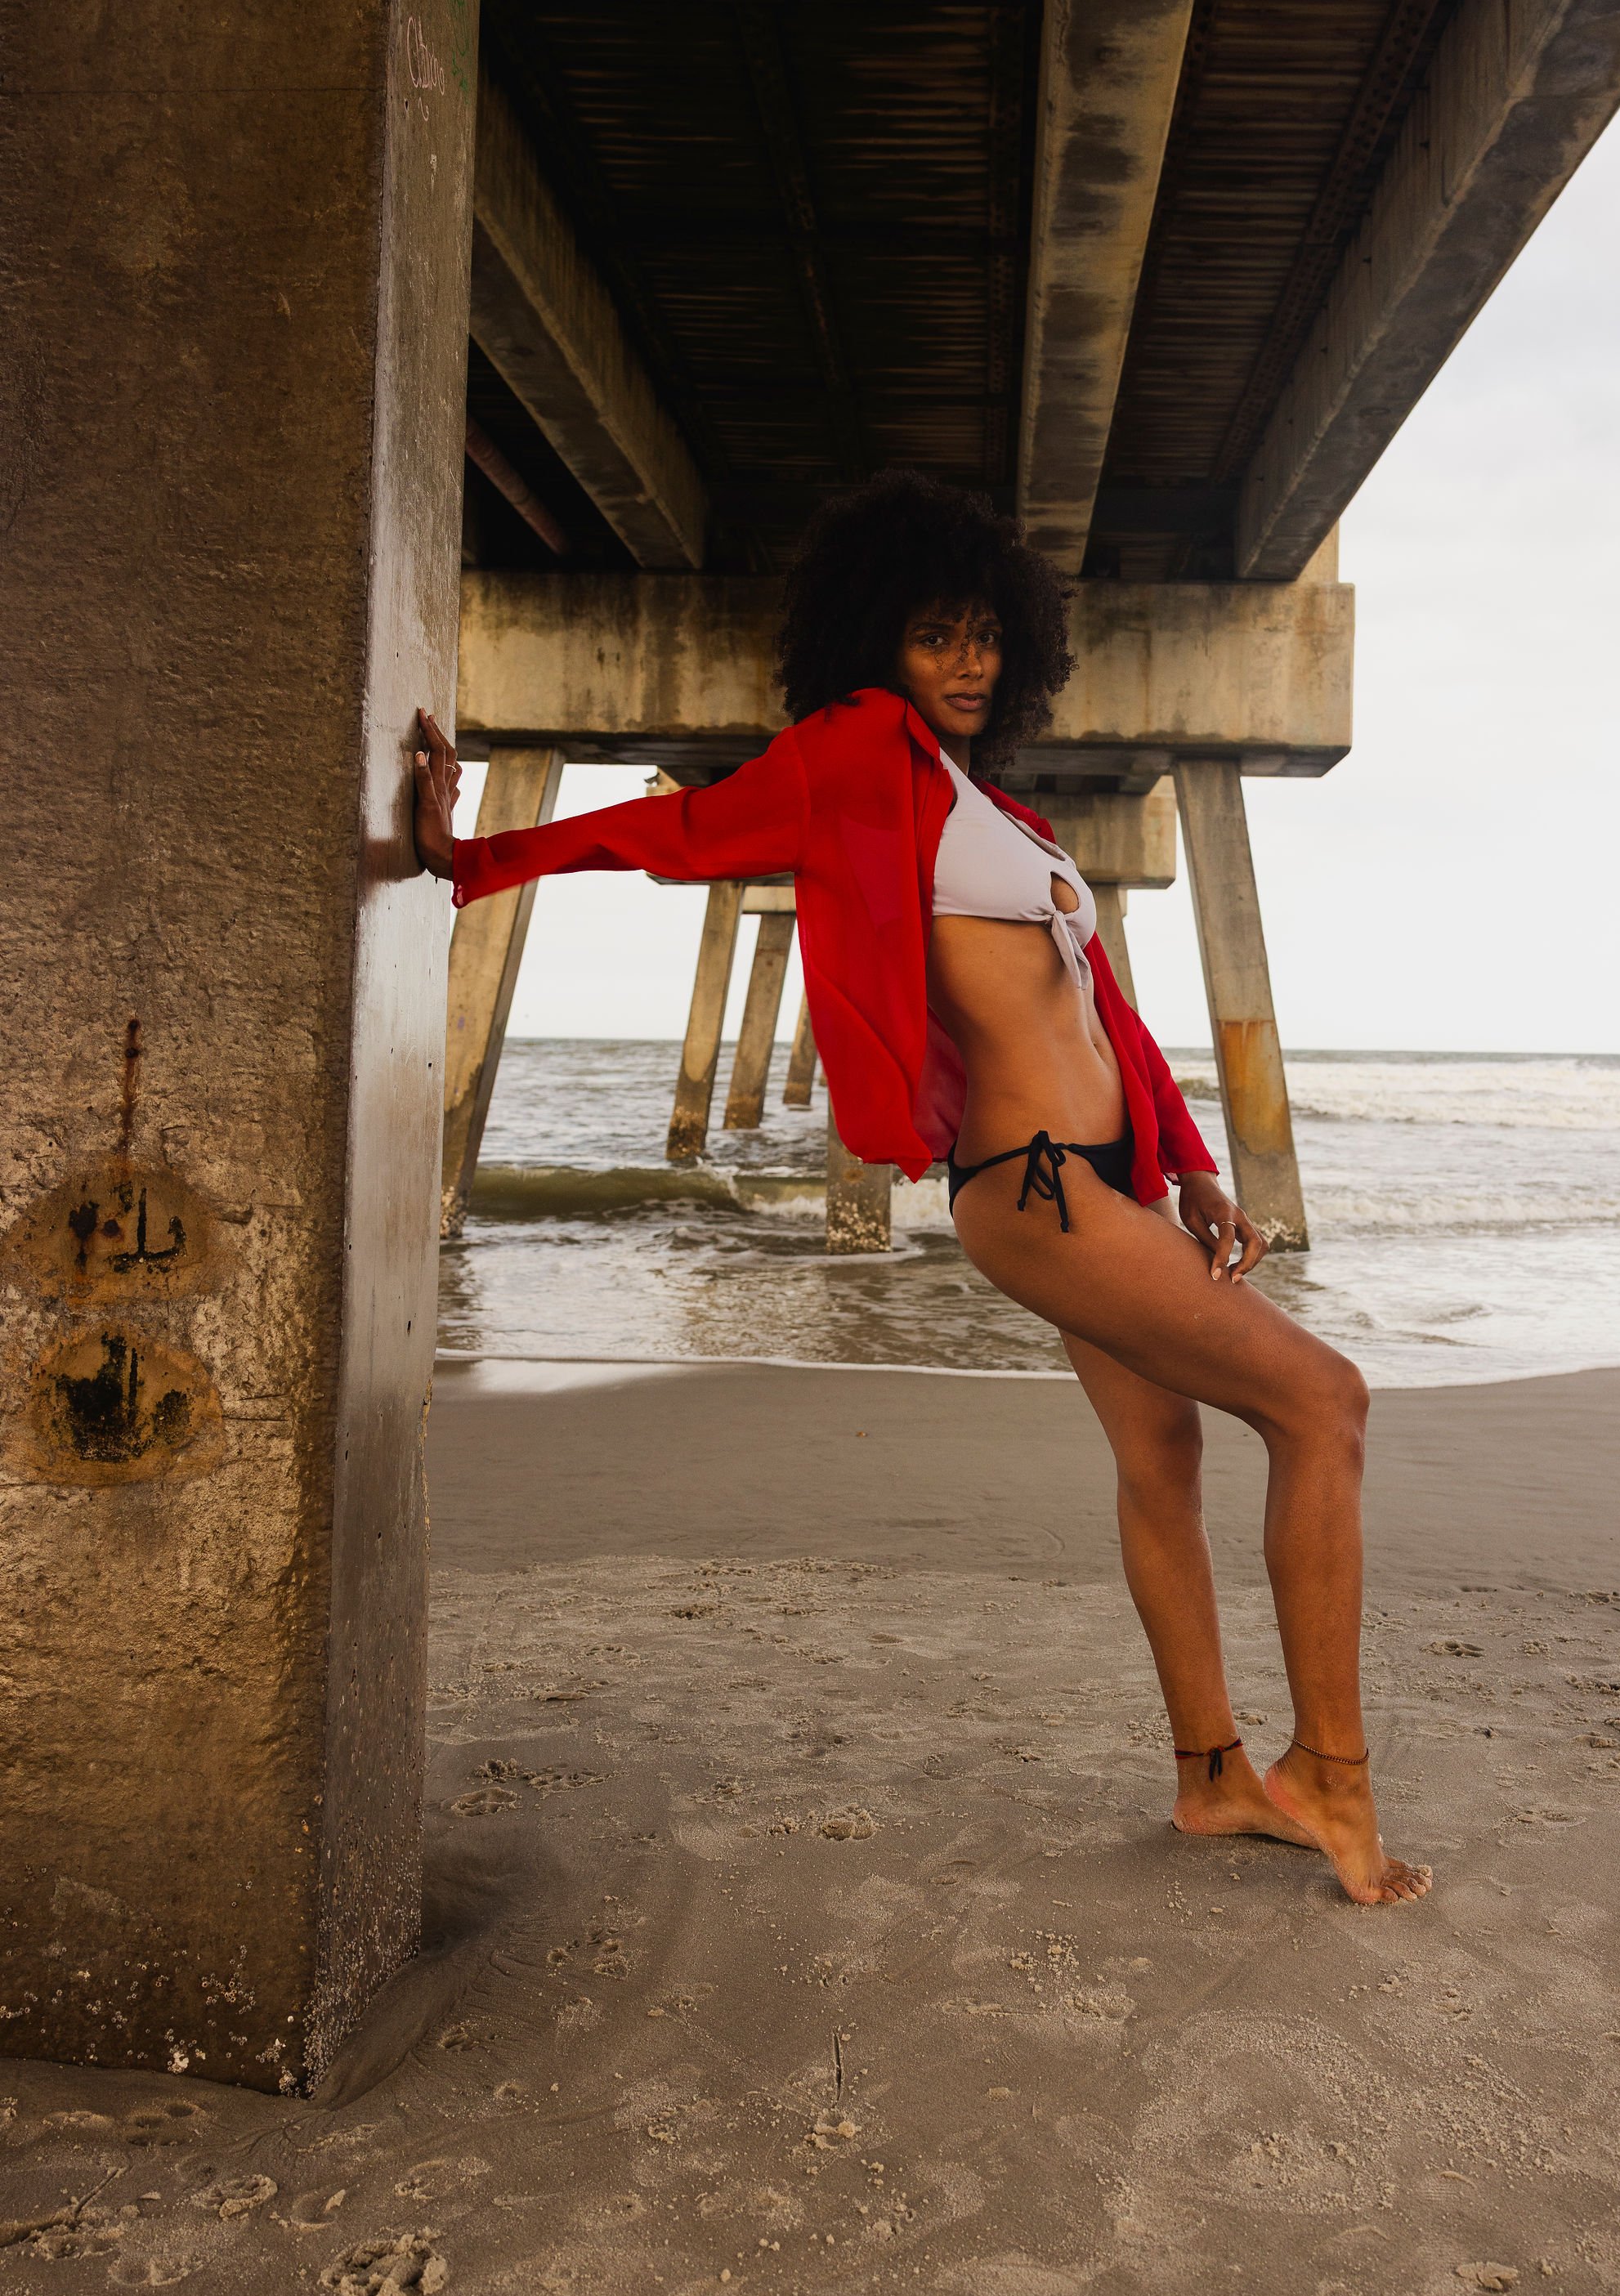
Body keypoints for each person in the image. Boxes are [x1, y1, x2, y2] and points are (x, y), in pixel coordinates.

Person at [415, 471, 1428, 1905]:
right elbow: (680, 836)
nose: (967, 662)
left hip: (1115, 1180)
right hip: (1033, 1186)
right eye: (935, 634)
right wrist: (465, 856)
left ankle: (1211, 1778)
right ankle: (1328, 1772)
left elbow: (1103, 1007)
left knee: (1164, 1456)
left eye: (986, 637)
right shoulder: (855, 753)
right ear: (874, 638)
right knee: (1324, 1403)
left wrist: (1195, 1164)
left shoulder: (996, 811)